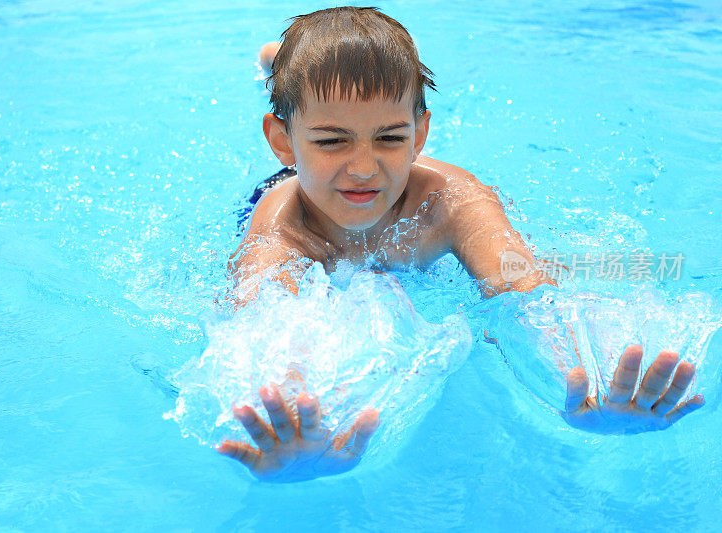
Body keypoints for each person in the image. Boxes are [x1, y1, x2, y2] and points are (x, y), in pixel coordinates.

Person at [216, 7, 704, 482]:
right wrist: (288, 420)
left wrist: (585, 375)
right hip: (292, 185)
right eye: (331, 141)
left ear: (421, 133)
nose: (363, 167)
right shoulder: (282, 228)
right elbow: (259, 320)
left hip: (350, 176)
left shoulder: (449, 203)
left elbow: (526, 289)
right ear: (282, 141)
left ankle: (290, 81)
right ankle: (275, 69)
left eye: (389, 137)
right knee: (298, 102)